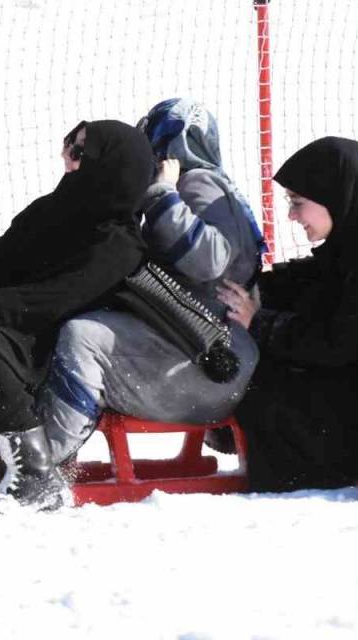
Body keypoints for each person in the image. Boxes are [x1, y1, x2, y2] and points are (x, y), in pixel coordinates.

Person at [0, 120, 156, 506]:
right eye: (68, 146)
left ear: (109, 167)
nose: (65, 157)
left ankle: (36, 473)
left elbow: (47, 301)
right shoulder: (49, 211)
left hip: (44, 345)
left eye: (78, 152)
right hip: (0, 323)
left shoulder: (119, 246)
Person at [33, 98, 262, 473]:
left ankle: (45, 466)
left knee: (83, 337)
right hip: (210, 359)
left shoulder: (196, 181)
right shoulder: (211, 183)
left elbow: (210, 259)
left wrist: (162, 194)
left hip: (206, 365)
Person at [219, 136, 358, 492]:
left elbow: (334, 343)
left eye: (298, 202)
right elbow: (319, 280)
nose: (292, 215)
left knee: (269, 389)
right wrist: (254, 288)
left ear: (333, 194)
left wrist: (259, 321)